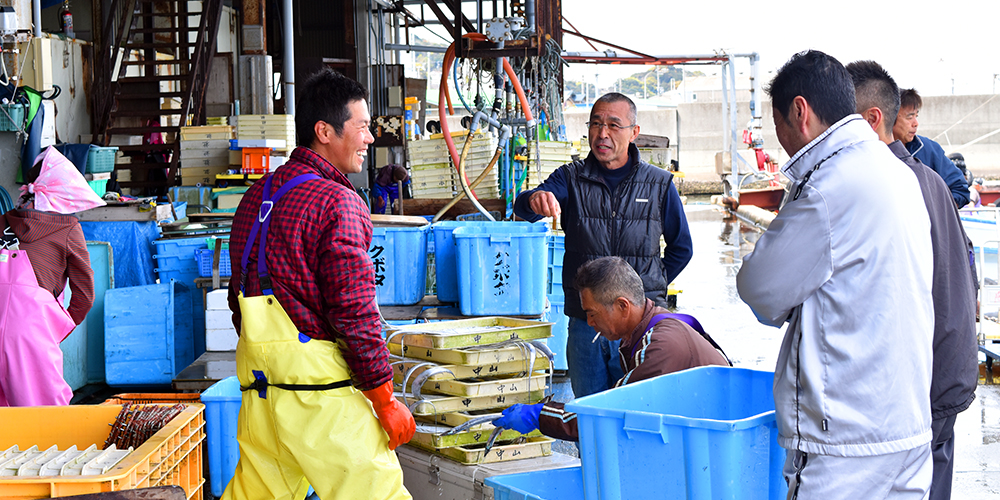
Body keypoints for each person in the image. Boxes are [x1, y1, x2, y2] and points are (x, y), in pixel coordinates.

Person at [736, 50, 935, 499]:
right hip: (908, 424)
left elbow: (760, 290)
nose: (781, 139)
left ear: (800, 112)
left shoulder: (830, 184)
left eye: (778, 124)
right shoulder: (899, 173)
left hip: (844, 441)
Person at [223, 68, 413, 500]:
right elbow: (355, 313)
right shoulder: (339, 201)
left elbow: (239, 294)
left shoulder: (257, 195)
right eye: (362, 128)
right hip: (318, 397)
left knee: (258, 495)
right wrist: (384, 400)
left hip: (261, 392)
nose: (370, 139)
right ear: (324, 131)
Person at [847, 60, 979, 500]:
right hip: (948, 368)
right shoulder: (927, 182)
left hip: (921, 384)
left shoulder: (889, 186)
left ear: (870, 119)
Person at [513, 92, 693, 399]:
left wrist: (647, 287)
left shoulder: (659, 183)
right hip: (588, 324)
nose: (602, 133)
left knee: (642, 412)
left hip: (640, 324)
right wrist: (534, 199)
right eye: (596, 123)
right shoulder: (570, 177)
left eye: (613, 124)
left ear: (634, 133)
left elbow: (681, 248)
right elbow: (524, 207)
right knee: (588, 414)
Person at [493, 257, 728, 441]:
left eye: (592, 314)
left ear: (622, 306)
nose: (590, 323)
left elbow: (605, 414)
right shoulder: (651, 327)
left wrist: (539, 414)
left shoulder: (661, 346)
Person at [0, 146, 101, 406]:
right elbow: (84, 294)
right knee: (43, 412)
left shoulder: (3, 222)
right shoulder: (68, 229)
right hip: (31, 332)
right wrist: (56, 328)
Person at [893, 88, 970, 208]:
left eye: (916, 116)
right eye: (910, 117)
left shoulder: (929, 149)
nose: (916, 123)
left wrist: (936, 214)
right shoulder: (875, 151)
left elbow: (960, 189)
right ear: (889, 118)